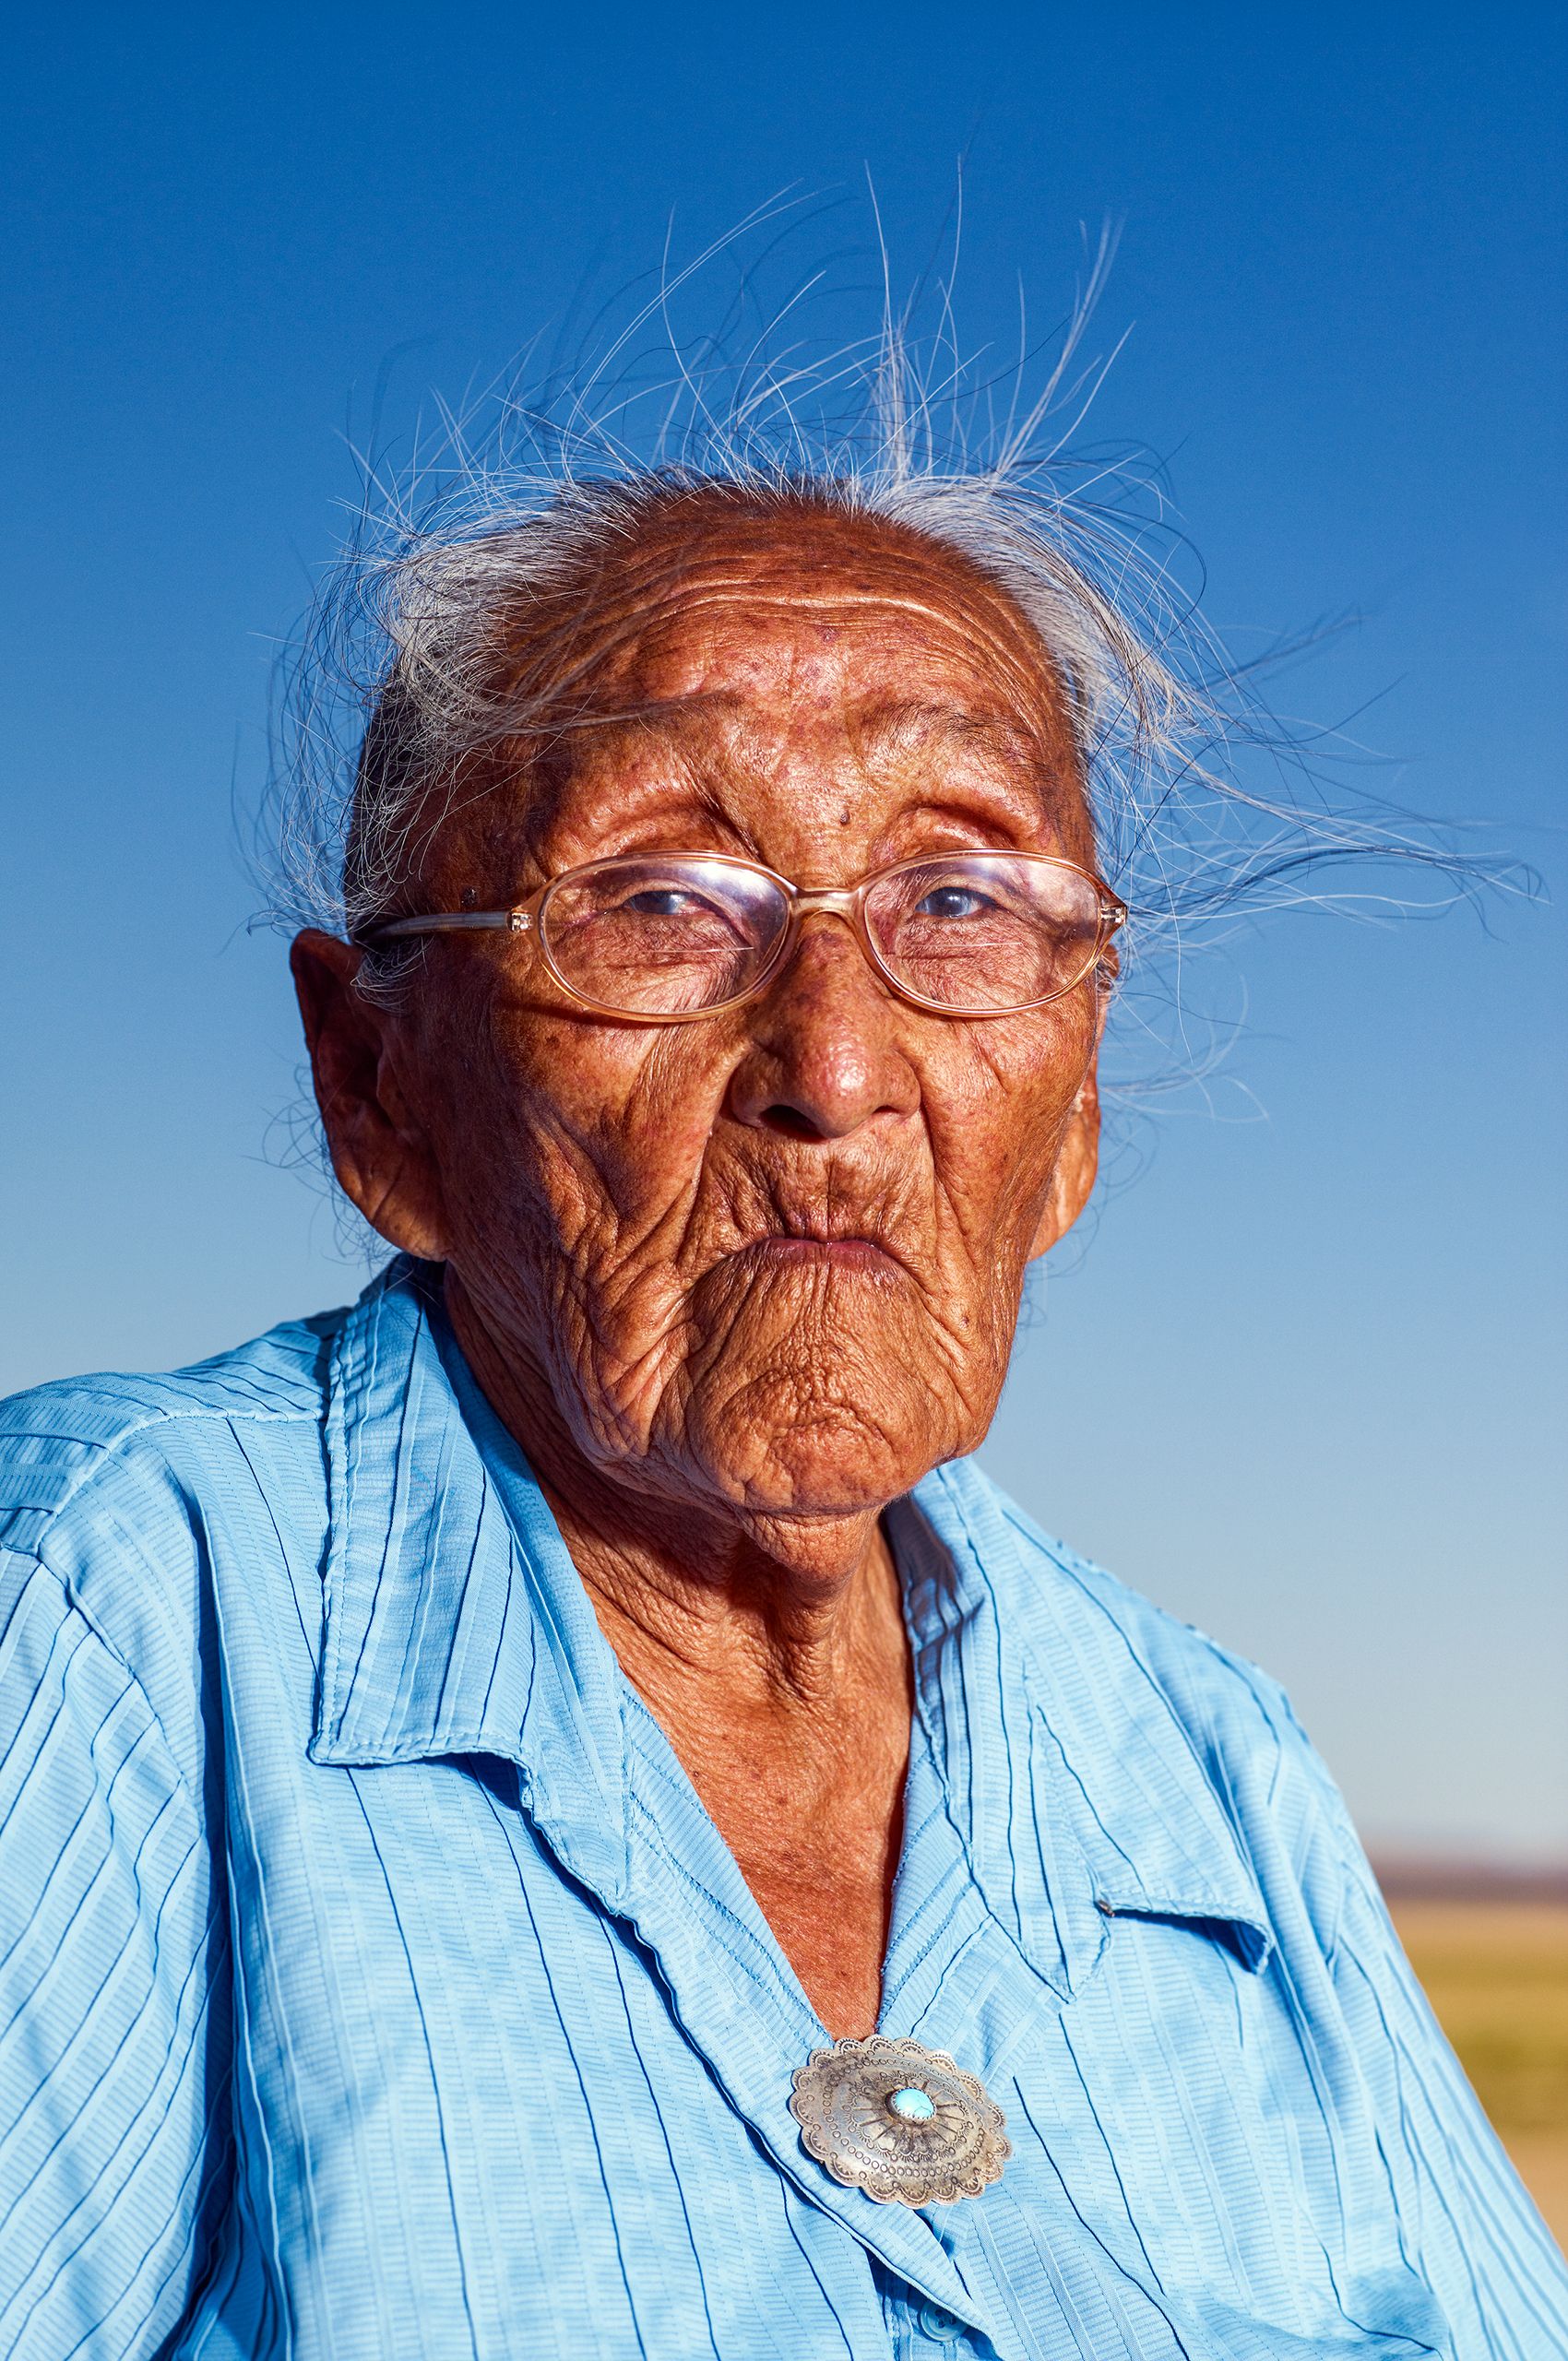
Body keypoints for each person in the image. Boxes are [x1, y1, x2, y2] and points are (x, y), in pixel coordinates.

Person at [2, 464, 1562, 2361]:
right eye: (661, 899)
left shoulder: (1206, 1756)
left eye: (959, 894)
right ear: (376, 1084)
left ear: (1068, 1113)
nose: (833, 1062)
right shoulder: (110, 1610)